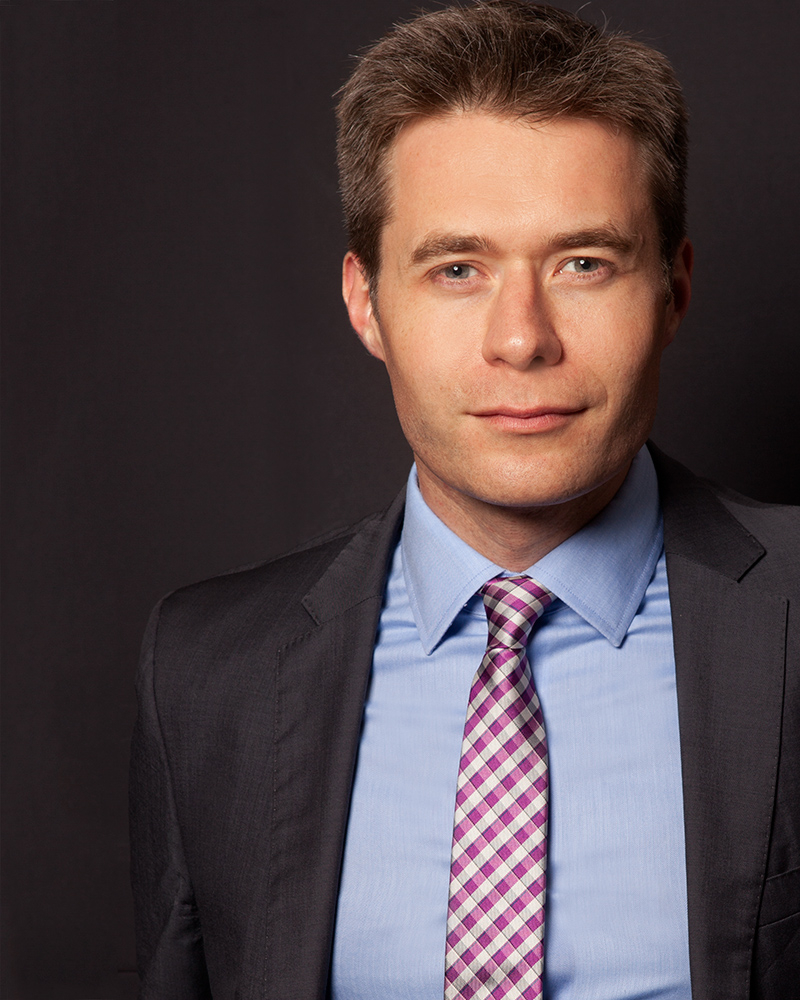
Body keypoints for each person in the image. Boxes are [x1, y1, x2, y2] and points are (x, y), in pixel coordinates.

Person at [129, 2, 799, 998]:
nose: (521, 339)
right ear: (366, 303)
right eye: (457, 269)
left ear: (673, 287)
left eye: (583, 263)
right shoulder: (205, 673)